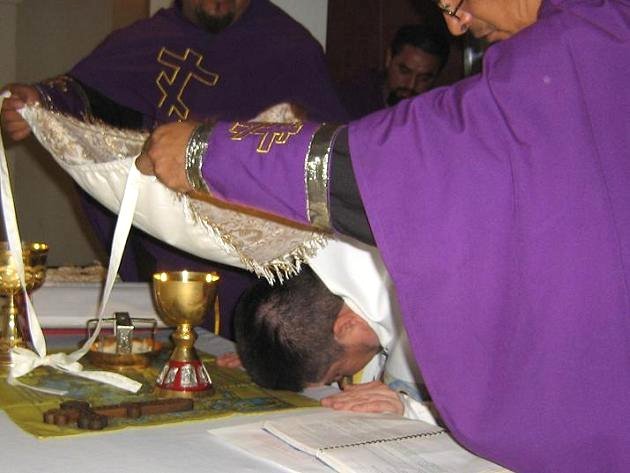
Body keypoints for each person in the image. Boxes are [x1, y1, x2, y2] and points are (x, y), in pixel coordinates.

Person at [138, 0, 630, 470]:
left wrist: (208, 155)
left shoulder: (581, 43)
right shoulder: (590, 34)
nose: (456, 25)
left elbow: (407, 167)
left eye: (454, 3)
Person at [0, 0, 347, 338]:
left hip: (257, 273)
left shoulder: (289, 48)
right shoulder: (145, 41)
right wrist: (39, 103)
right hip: (163, 254)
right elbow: (88, 100)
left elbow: (328, 159)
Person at [227, 237, 436, 423]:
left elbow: (458, 413)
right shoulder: (319, 251)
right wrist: (271, 357)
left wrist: (413, 411)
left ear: (348, 326)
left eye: (338, 374)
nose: (340, 379)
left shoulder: (432, 311)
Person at [339, 24, 450, 119]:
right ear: (389, 58)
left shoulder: (437, 114)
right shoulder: (352, 100)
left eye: (424, 79)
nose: (411, 85)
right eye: (404, 71)